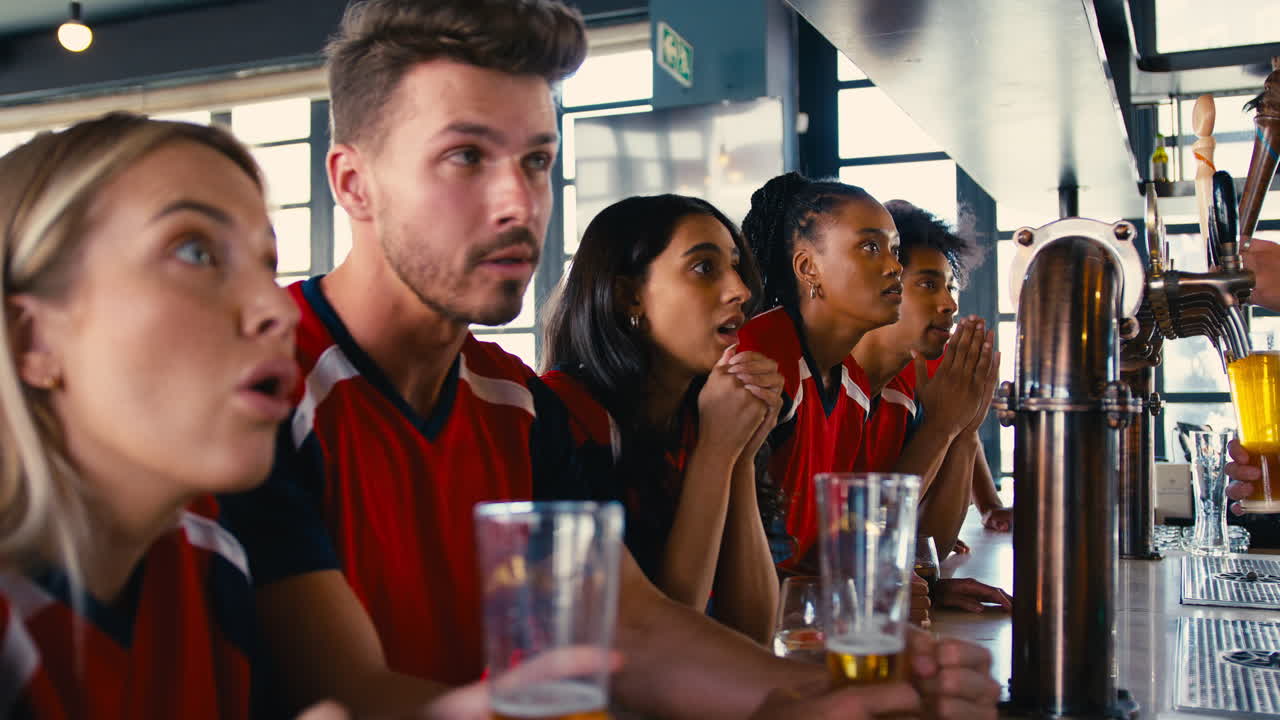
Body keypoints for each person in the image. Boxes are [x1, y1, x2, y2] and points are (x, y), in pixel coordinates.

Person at [219, 2, 1001, 718]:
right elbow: (345, 693)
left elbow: (632, 623)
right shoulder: (260, 385)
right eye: (465, 157)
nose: (517, 204)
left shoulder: (516, 401)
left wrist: (819, 696)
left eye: (534, 161)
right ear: (353, 184)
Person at [0, 113, 300, 718]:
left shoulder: (212, 565)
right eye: (196, 252)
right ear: (31, 339)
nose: (278, 309)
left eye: (267, 263)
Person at [541, 194, 782, 642]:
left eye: (735, 266)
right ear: (629, 296)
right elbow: (664, 642)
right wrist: (717, 451)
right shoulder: (566, 416)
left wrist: (741, 457)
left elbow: (753, 634)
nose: (741, 291)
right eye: (704, 268)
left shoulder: (702, 411)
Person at [736, 173, 998, 575]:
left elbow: (848, 546)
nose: (893, 266)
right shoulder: (767, 354)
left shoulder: (848, 384)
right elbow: (738, 565)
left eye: (893, 251)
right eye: (871, 247)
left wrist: (960, 428)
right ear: (809, 269)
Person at [852, 200, 1011, 615]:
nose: (949, 305)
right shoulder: (829, 382)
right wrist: (943, 426)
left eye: (949, 287)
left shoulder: (899, 393)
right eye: (927, 284)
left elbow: (928, 549)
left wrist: (965, 428)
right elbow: (855, 545)